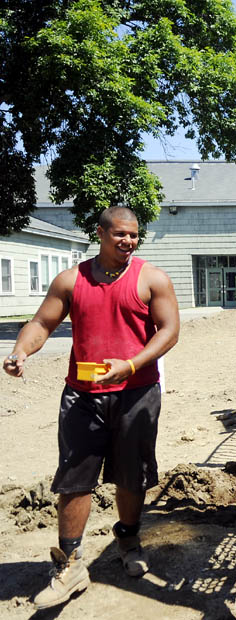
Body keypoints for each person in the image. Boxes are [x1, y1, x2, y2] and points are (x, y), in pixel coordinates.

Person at [2, 206, 180, 610]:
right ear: (99, 233)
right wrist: (20, 351)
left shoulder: (152, 279)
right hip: (82, 395)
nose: (128, 241)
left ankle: (129, 536)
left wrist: (131, 364)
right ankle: (71, 565)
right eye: (120, 234)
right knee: (74, 477)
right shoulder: (70, 280)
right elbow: (41, 324)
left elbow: (170, 331)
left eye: (134, 235)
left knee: (132, 474)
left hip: (136, 391)